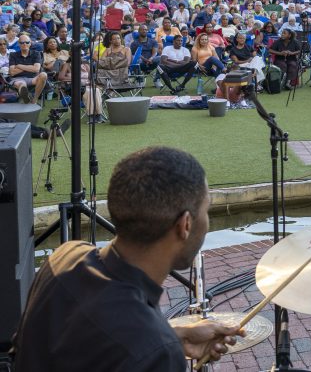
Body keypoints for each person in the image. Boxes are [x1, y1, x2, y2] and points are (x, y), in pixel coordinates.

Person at [11, 147, 243, 370]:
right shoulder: (157, 354)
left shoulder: (65, 256)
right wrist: (161, 344)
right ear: (185, 225)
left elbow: (78, 343)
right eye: (206, 211)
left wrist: (173, 336)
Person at [9, 34, 47, 103]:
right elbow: (12, 72)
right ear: (19, 44)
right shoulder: (13, 55)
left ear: (30, 43)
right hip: (17, 79)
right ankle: (25, 97)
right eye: (22, 42)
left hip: (33, 78)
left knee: (43, 75)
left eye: (27, 42)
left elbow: (36, 69)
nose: (24, 44)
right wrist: (30, 67)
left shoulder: (36, 54)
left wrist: (19, 66)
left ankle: (35, 99)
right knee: (22, 85)